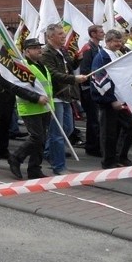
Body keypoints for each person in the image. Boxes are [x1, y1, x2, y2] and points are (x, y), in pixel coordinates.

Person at [40, 23, 88, 175]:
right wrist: (74, 79)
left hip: (67, 95)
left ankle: (48, 152)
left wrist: (77, 60)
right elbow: (53, 73)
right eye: (60, 34)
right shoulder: (46, 53)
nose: (63, 36)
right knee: (57, 132)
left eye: (63, 34)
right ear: (50, 37)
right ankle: (59, 166)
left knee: (68, 128)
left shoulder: (63, 50)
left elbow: (69, 67)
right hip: (56, 95)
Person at [90, 29, 132, 168]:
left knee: (130, 127)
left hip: (122, 98)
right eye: (116, 41)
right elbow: (98, 81)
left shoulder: (119, 53)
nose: (119, 43)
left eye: (120, 40)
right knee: (108, 134)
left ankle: (121, 156)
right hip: (109, 102)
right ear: (108, 41)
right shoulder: (101, 57)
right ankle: (108, 161)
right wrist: (111, 100)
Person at [7, 38, 52, 179]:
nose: (39, 50)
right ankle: (15, 157)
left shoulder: (40, 65)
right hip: (30, 107)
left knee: (41, 140)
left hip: (45, 107)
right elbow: (16, 88)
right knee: (36, 137)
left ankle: (34, 168)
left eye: (40, 47)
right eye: (35, 48)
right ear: (27, 51)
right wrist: (35, 98)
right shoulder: (22, 66)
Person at [78, 24, 104, 157]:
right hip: (89, 89)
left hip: (96, 87)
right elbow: (85, 70)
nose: (103, 33)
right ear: (93, 34)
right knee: (93, 119)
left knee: (96, 119)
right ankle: (92, 147)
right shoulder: (88, 49)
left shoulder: (98, 48)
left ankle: (95, 144)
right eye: (100, 32)